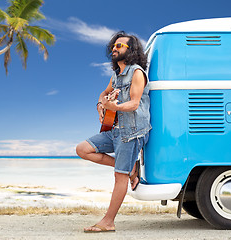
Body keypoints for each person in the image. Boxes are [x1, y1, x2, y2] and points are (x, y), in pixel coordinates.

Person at [76, 31, 151, 233]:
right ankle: (130, 169)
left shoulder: (136, 73)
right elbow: (103, 93)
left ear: (131, 51)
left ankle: (108, 222)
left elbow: (134, 104)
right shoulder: (116, 75)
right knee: (82, 149)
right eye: (113, 46)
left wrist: (114, 107)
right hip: (116, 130)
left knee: (119, 177)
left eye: (119, 46)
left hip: (132, 132)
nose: (114, 49)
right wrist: (101, 104)